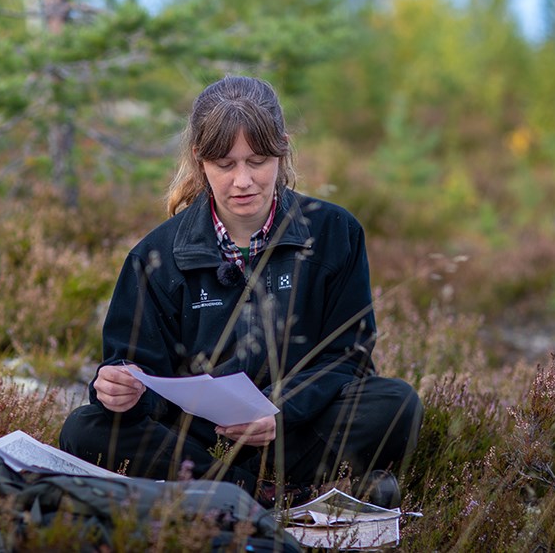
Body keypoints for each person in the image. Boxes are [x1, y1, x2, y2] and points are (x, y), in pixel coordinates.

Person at [59, 75, 422, 508]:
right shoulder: (154, 257)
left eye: (257, 160)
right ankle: (271, 497)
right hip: (196, 441)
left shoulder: (334, 233)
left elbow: (348, 356)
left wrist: (278, 411)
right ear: (200, 160)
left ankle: (229, 494)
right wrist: (119, 391)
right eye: (225, 164)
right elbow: (136, 370)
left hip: (295, 430)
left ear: (282, 150)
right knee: (85, 429)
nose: (243, 180)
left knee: (397, 403)